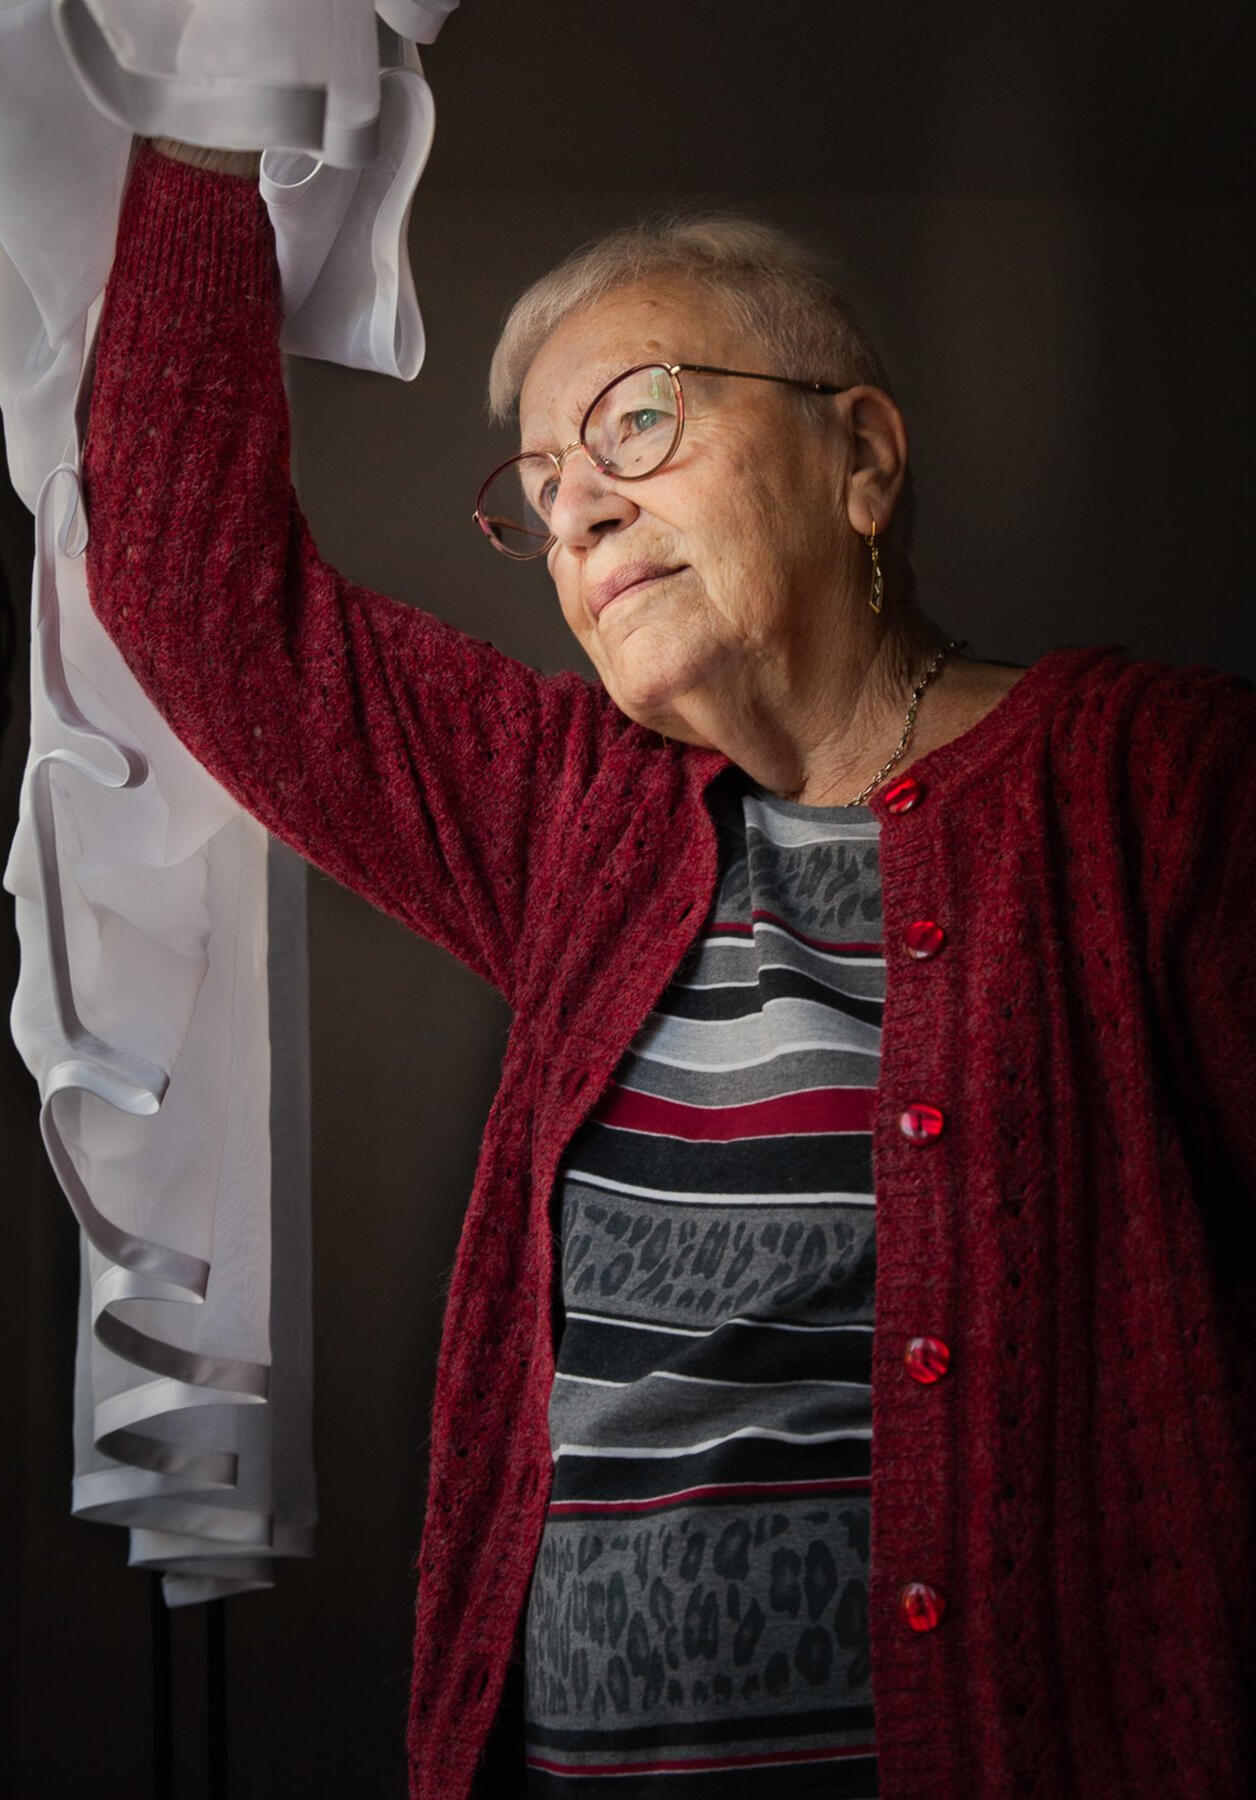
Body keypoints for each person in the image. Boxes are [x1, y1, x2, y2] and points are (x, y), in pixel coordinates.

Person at [82, 139, 1255, 1800]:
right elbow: (199, 599)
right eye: (543, 482)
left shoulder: (1160, 791)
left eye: (638, 420)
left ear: (861, 456)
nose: (580, 507)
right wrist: (207, 113)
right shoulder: (581, 821)